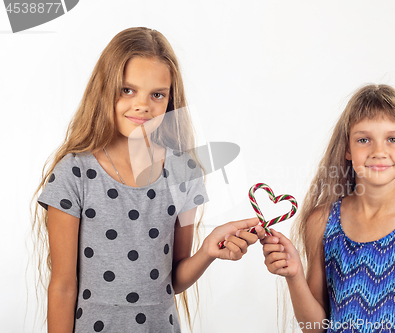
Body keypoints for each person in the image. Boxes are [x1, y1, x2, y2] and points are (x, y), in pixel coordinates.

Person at [33, 27, 265, 333]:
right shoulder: (73, 173)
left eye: (157, 94)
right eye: (127, 90)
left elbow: (175, 279)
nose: (142, 105)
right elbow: (63, 286)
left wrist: (209, 249)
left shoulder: (184, 171)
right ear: (104, 88)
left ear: (170, 100)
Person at [261, 84, 395, 333]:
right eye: (364, 139)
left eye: (393, 139)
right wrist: (295, 275)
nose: (378, 152)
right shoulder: (321, 222)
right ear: (347, 148)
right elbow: (314, 328)